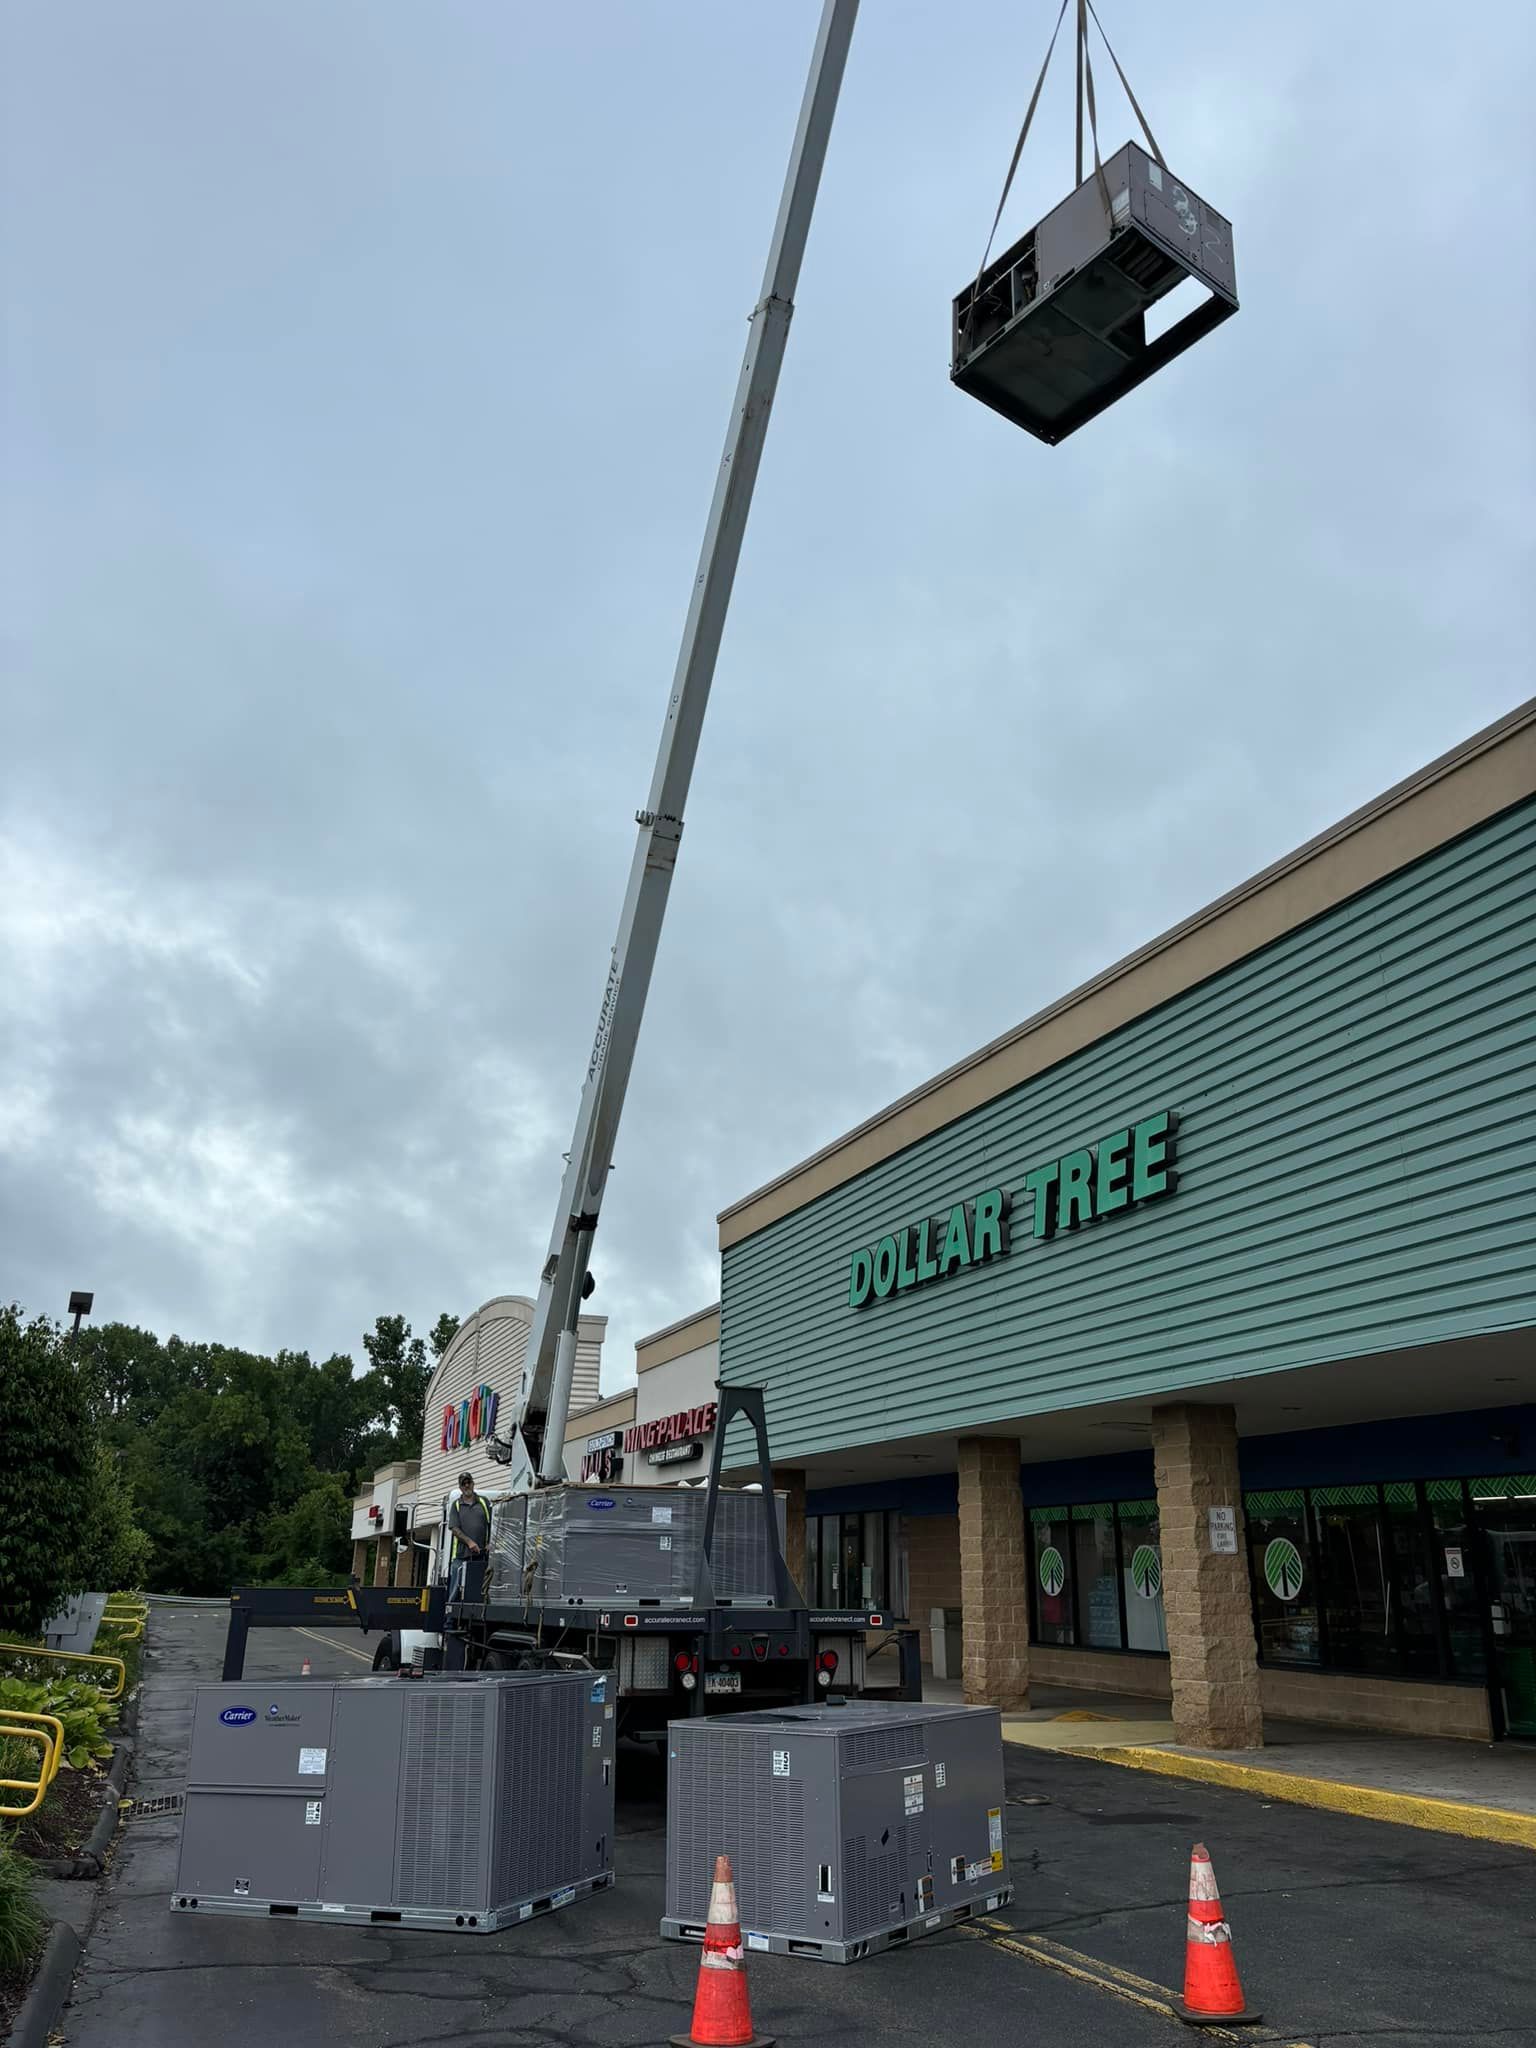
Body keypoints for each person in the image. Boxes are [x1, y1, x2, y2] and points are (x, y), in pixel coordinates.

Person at [448, 1472, 490, 1600]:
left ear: (473, 1483)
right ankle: (450, 1619)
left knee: (480, 1590)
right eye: (463, 1484)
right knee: (454, 1591)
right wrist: (469, 1542)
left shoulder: (484, 1502)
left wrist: (490, 1542)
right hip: (461, 1556)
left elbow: (493, 1523)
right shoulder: (456, 1505)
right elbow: (454, 1528)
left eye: (469, 1482)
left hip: (482, 1556)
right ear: (460, 1487)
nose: (467, 1485)